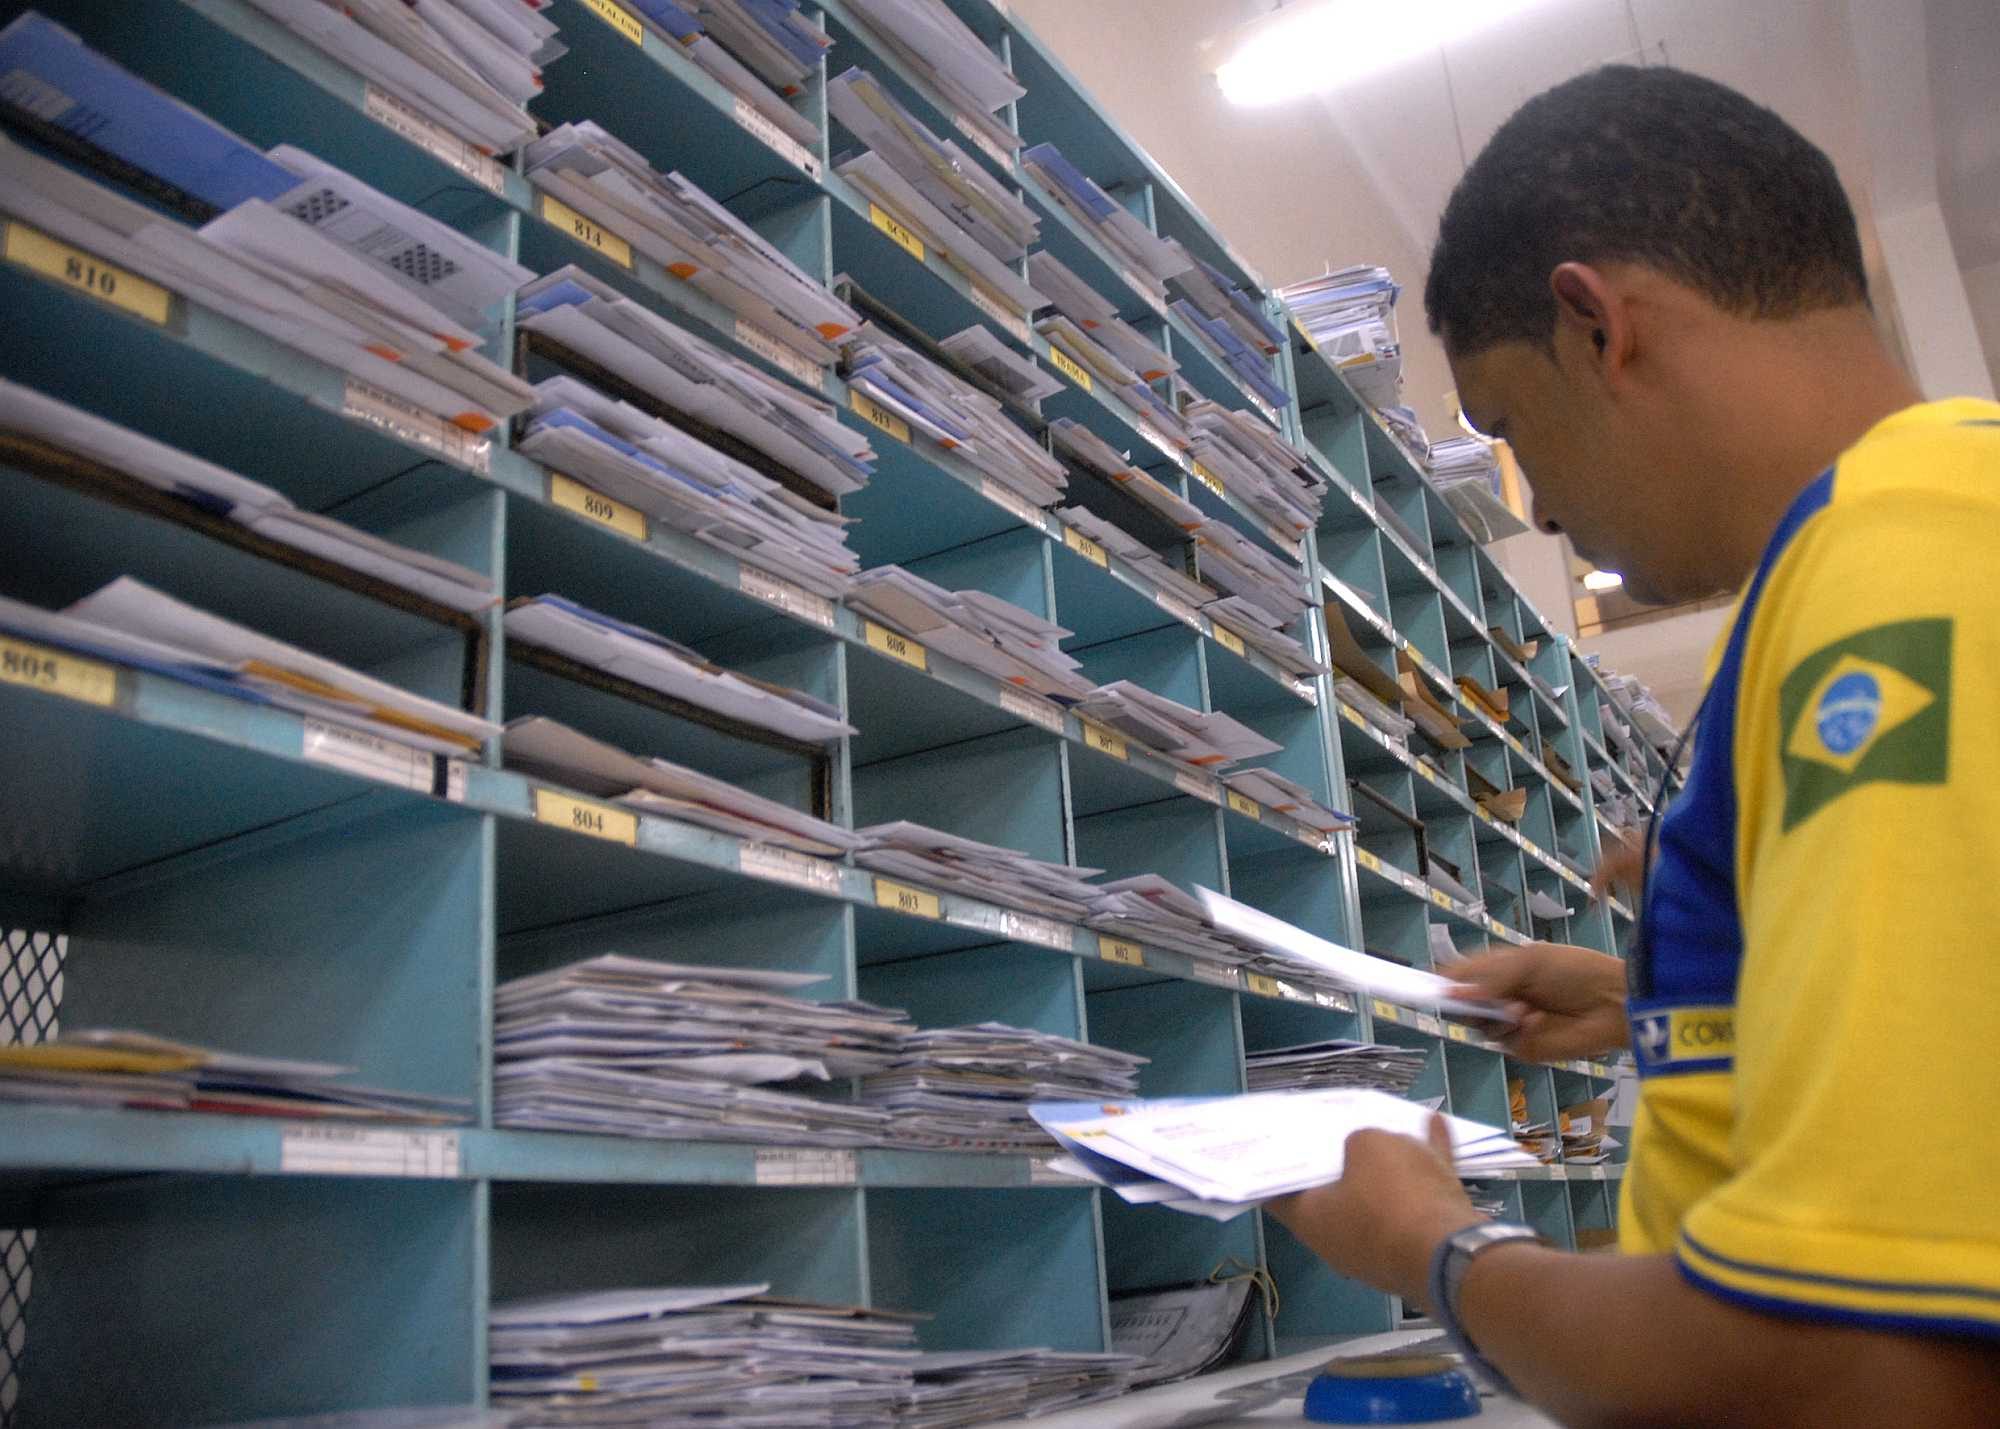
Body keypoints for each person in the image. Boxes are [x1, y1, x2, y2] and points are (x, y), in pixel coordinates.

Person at [1269, 64, 2000, 1425]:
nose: (1538, 507)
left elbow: (1861, 1368)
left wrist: (1437, 1242)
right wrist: (1668, 996)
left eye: (1510, 429)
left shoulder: (1895, 579)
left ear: (1595, 324)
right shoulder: (1902, 546)